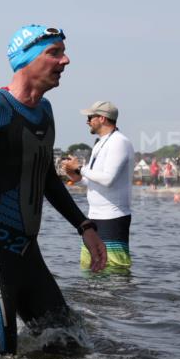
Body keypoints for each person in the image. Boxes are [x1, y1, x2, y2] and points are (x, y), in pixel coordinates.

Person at [0, 25, 107, 355]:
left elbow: (47, 178)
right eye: (54, 53)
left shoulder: (45, 112)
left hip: (28, 255)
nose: (65, 60)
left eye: (63, 52)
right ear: (24, 60)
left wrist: (84, 226)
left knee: (72, 346)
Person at [61, 102, 134, 269]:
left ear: (102, 118)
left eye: (90, 117)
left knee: (114, 270)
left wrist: (79, 168)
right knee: (90, 267)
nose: (87, 121)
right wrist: (78, 177)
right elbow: (95, 179)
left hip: (113, 217)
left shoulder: (119, 142)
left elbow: (108, 179)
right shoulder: (100, 143)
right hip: (94, 218)